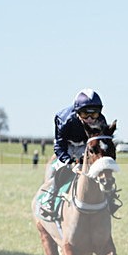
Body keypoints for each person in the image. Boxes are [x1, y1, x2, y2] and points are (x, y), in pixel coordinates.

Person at [38, 88, 108, 217]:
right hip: (67, 145)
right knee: (58, 170)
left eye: (94, 114)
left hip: (86, 145)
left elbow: (100, 144)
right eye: (85, 114)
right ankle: (49, 199)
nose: (90, 119)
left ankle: (109, 198)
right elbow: (59, 146)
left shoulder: (101, 121)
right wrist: (68, 161)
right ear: (77, 112)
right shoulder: (64, 119)